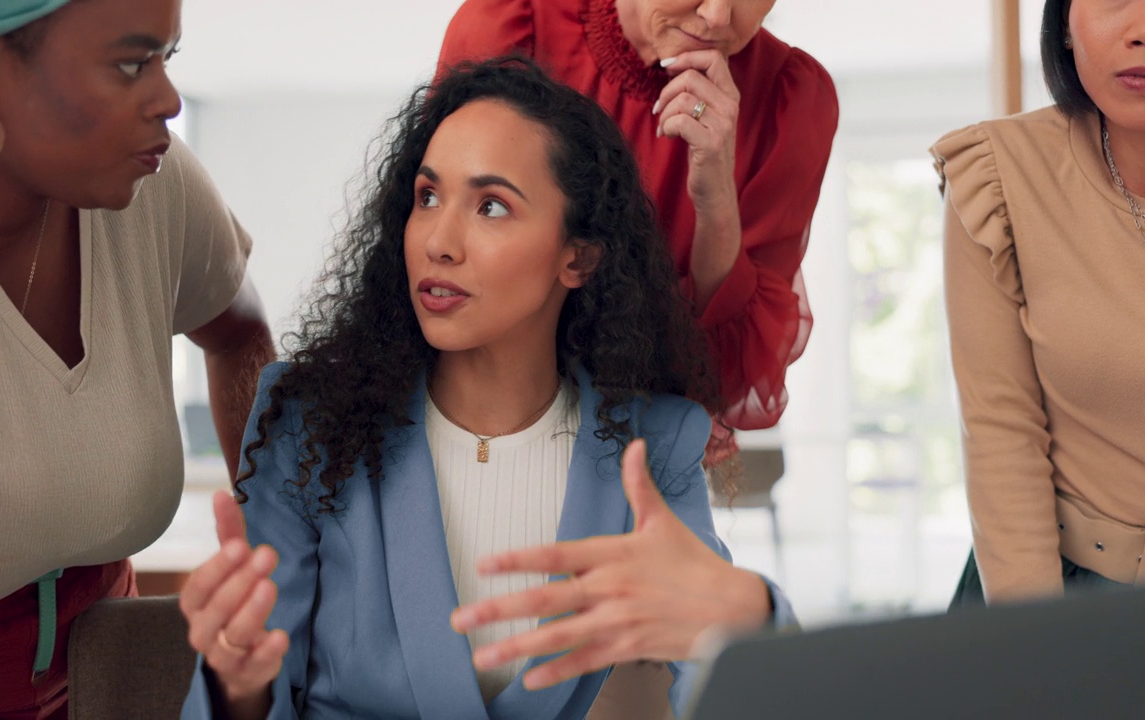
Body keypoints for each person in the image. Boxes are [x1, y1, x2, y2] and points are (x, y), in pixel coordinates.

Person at [178, 57, 790, 720]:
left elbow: (727, 687)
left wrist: (750, 612)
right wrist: (236, 686)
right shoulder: (309, 422)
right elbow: (256, 686)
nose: (439, 241)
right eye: (427, 197)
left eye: (491, 206)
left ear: (577, 257)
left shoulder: (655, 443)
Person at [0, 0, 274, 716]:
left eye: (166, 59)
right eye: (129, 64)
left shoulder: (151, 177)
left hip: (105, 681)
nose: (168, 100)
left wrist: (282, 575)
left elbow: (240, 336)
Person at [438, 0, 838, 466]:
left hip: (640, 460)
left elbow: (728, 374)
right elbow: (443, 253)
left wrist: (716, 201)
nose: (718, 17)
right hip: (479, 429)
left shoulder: (788, 101)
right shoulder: (512, 24)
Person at [934, 0, 1145, 606]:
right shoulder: (1000, 176)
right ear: (1067, 26)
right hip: (1055, 593)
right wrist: (1035, 664)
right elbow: (1001, 433)